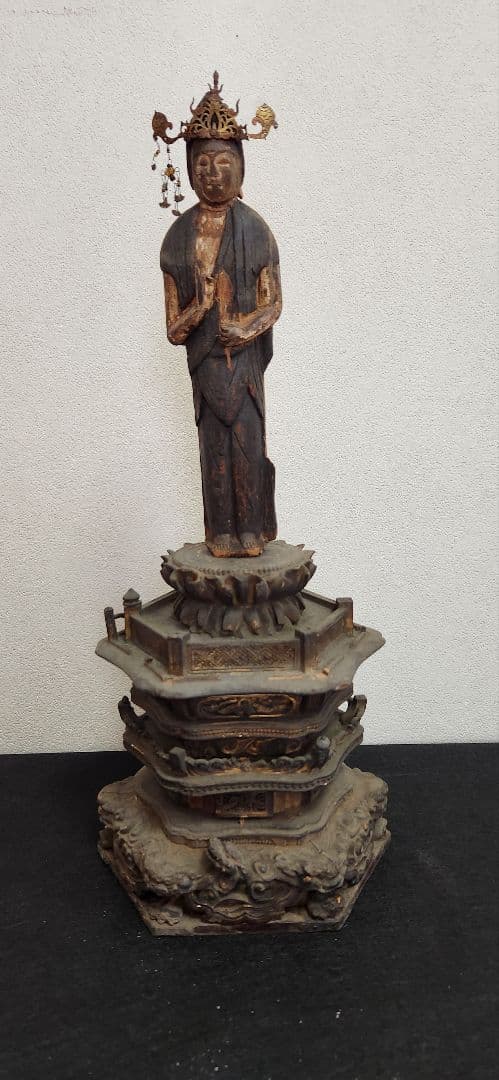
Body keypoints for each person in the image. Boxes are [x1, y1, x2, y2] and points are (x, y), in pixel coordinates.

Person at [160, 127, 282, 558]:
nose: (212, 173)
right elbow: (174, 329)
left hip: (243, 365)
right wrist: (200, 309)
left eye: (223, 162)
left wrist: (245, 329)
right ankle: (222, 530)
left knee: (247, 443)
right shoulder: (177, 239)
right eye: (203, 164)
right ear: (190, 171)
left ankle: (251, 527)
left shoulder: (256, 230)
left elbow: (273, 303)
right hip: (207, 364)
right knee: (213, 448)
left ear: (241, 168)